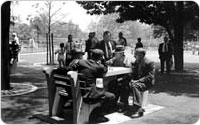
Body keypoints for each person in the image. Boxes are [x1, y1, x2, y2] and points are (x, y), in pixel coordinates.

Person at [54, 49, 115, 123]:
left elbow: (68, 69)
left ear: (91, 56)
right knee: (111, 96)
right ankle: (97, 115)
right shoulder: (99, 67)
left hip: (79, 92)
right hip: (89, 96)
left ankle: (96, 113)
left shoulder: (81, 62)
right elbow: (104, 71)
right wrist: (104, 61)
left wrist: (56, 70)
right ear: (100, 57)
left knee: (100, 88)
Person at [129, 48, 155, 117]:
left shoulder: (150, 63)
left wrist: (137, 81)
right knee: (125, 84)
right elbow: (133, 74)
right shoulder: (136, 62)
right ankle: (124, 104)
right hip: (137, 81)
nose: (134, 56)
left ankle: (138, 108)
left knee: (135, 86)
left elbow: (150, 77)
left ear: (141, 55)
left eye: (135, 55)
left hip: (146, 83)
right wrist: (132, 79)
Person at [106, 45, 130, 113]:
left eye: (117, 53)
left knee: (123, 86)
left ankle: (124, 105)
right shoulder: (115, 59)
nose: (115, 54)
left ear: (122, 53)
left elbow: (129, 73)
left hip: (125, 78)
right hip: (116, 77)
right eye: (115, 53)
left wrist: (120, 79)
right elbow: (107, 62)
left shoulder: (126, 61)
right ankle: (113, 103)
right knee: (111, 84)